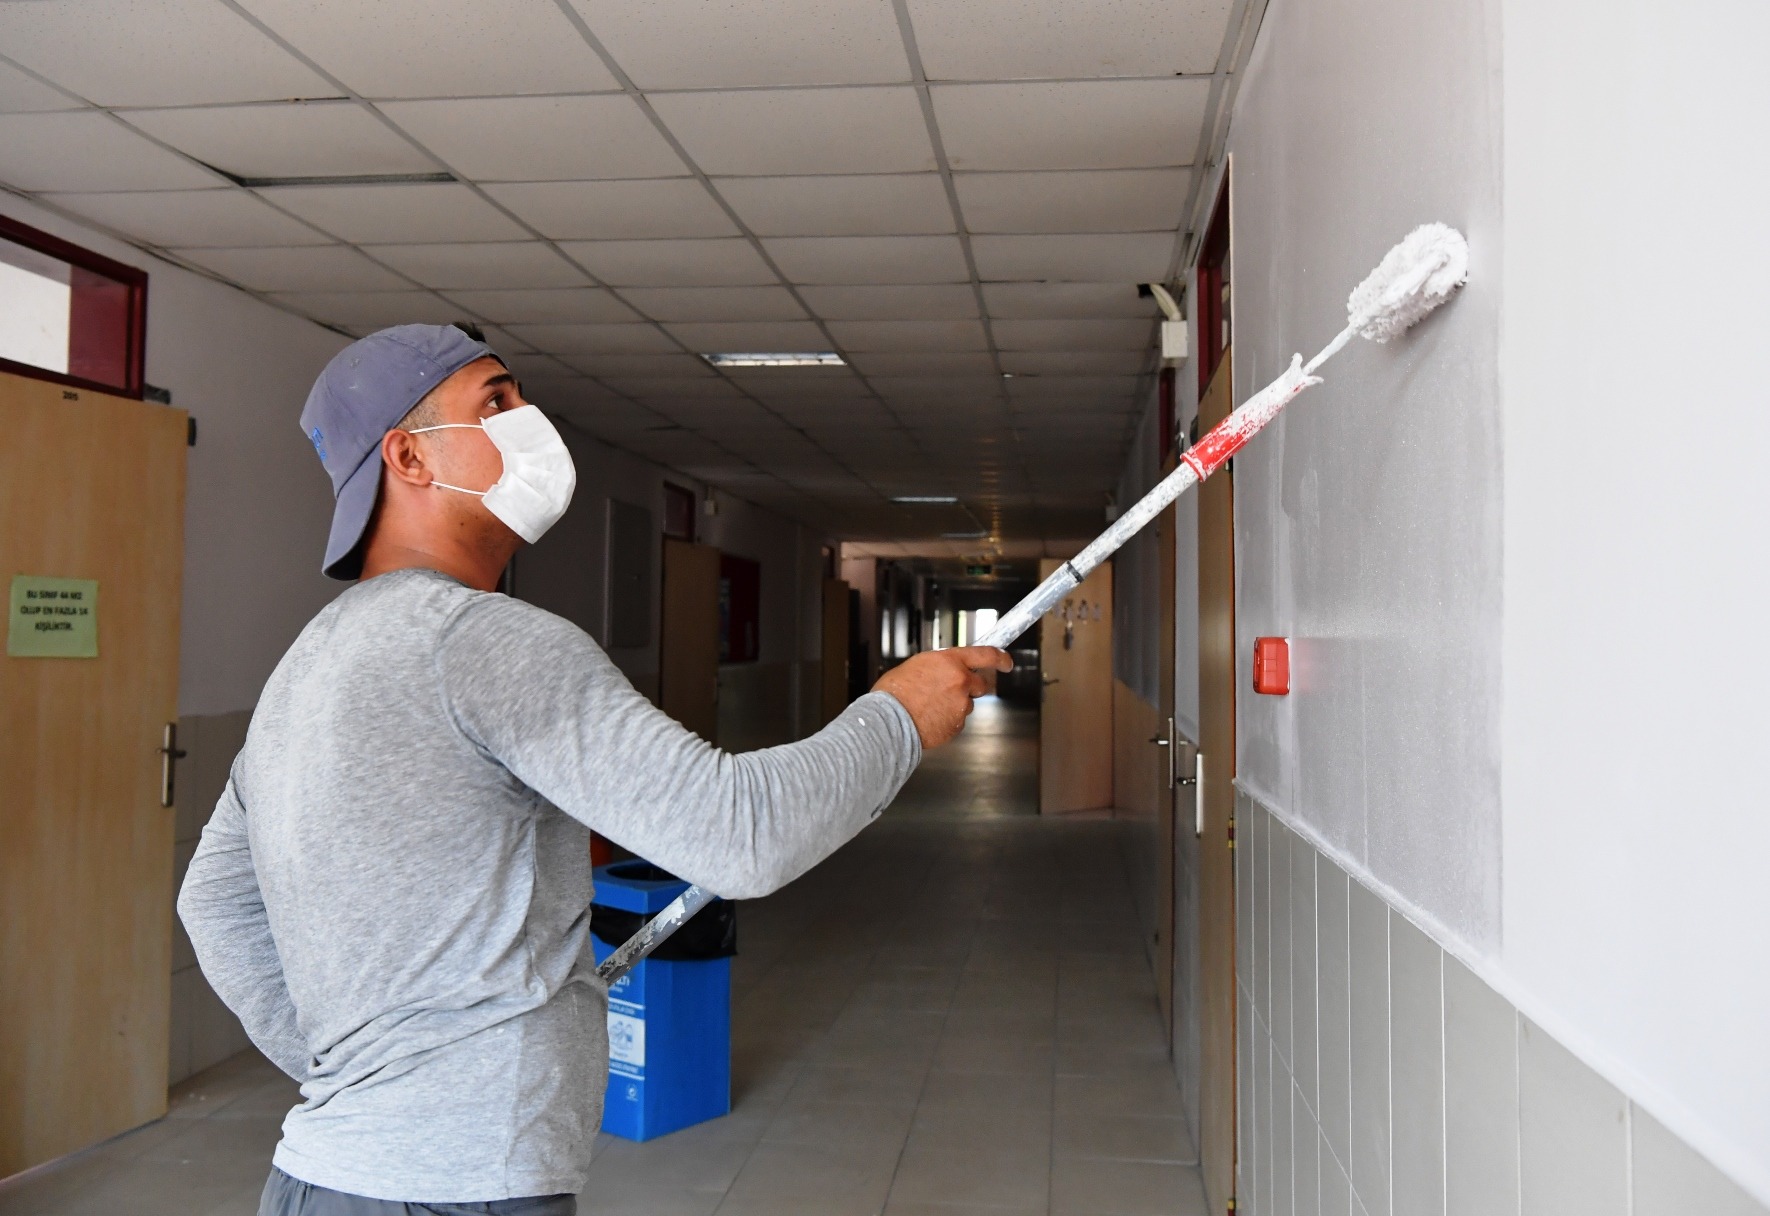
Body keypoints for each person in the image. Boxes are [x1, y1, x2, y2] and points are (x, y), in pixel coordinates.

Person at [177, 324, 1010, 1216]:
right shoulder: (486, 640)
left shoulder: (307, 663)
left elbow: (214, 903)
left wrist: (359, 1071)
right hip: (456, 1193)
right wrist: (899, 717)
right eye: (495, 402)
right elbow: (739, 834)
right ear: (409, 457)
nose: (529, 419)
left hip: (318, 1178)